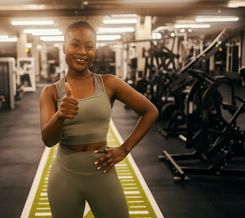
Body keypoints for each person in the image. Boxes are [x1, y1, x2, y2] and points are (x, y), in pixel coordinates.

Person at [39, 21, 159, 218]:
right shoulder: (50, 92)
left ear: (95, 49)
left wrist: (124, 149)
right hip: (64, 176)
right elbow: (48, 140)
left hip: (102, 172)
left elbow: (150, 111)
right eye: (75, 44)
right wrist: (60, 115)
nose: (82, 52)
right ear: (63, 47)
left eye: (89, 46)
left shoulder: (109, 83)